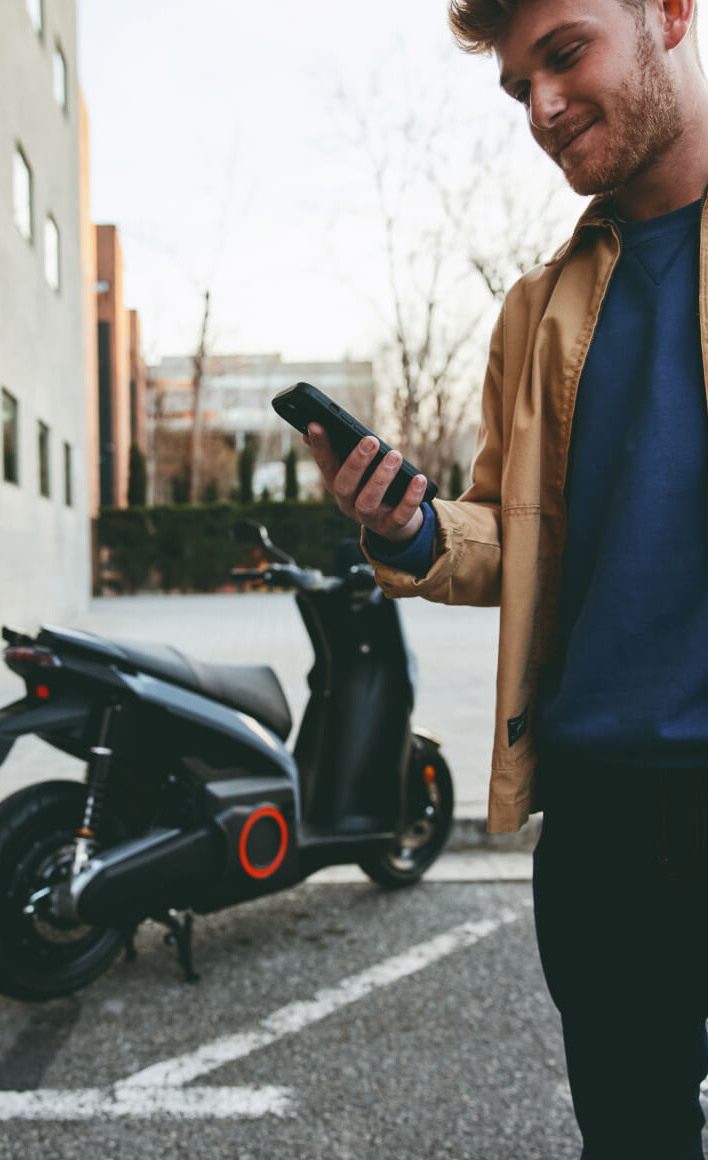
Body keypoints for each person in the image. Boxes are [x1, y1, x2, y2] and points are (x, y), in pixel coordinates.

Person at [304, 1, 708, 1155]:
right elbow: (511, 533)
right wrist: (414, 528)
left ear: (670, 12)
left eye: (565, 52)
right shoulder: (536, 310)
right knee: (630, 1136)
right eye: (515, 82)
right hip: (600, 813)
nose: (538, 106)